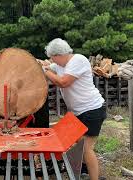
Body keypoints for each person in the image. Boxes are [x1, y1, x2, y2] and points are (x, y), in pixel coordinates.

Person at [41, 38, 106, 180]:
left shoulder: (78, 60)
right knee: (77, 145)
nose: (53, 61)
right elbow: (47, 66)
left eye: (53, 58)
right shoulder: (59, 65)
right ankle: (83, 172)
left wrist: (46, 71)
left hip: (92, 110)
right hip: (78, 112)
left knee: (86, 149)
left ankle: (94, 178)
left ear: (60, 55)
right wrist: (42, 65)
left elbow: (63, 82)